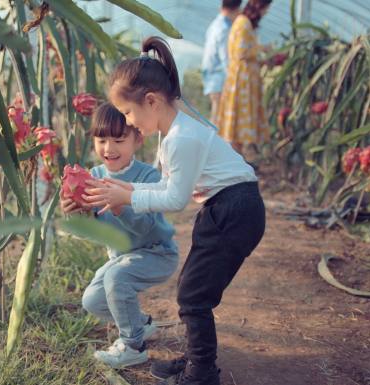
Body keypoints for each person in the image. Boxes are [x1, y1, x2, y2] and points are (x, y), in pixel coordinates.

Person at [82, 37, 266, 385]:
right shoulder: (175, 131)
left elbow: (175, 200)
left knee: (193, 296)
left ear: (151, 101)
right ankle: (196, 361)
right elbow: (166, 188)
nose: (130, 123)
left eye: (128, 113)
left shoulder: (180, 138)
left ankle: (201, 374)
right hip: (227, 207)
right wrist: (125, 189)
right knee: (192, 291)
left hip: (233, 209)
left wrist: (128, 198)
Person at [61, 103, 179, 369]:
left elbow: (147, 227)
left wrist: (120, 205)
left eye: (118, 139)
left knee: (117, 278)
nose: (109, 148)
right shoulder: (93, 177)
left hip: (157, 252)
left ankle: (133, 346)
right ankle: (143, 324)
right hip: (122, 257)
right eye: (101, 139)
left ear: (137, 139)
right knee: (92, 301)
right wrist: (76, 213)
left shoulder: (149, 176)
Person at [216, 0, 273, 157]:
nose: (266, 13)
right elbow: (241, 52)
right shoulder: (244, 23)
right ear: (258, 7)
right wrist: (262, 49)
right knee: (238, 125)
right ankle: (236, 160)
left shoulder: (243, 22)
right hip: (242, 81)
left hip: (243, 79)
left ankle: (237, 159)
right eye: (266, 9)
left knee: (238, 125)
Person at [201, 0, 242, 123]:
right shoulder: (225, 28)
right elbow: (226, 57)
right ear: (236, 9)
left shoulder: (215, 24)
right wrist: (234, 77)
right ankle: (211, 142)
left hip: (211, 75)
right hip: (219, 77)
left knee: (216, 115)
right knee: (218, 118)